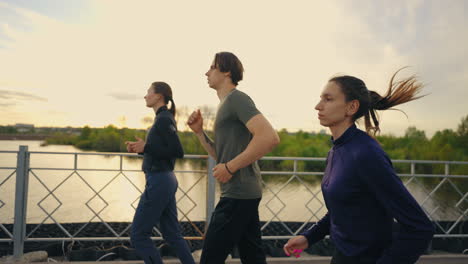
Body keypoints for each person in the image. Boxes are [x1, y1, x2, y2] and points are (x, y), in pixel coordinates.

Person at [283, 69, 434, 264]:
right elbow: (342, 209)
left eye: (328, 99)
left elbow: (420, 227)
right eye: (320, 98)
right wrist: (309, 237)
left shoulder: (366, 154)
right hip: (341, 256)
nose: (317, 106)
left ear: (351, 107)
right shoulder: (336, 150)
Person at [187, 52, 280, 264]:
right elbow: (220, 155)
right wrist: (200, 132)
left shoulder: (238, 99)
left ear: (227, 71)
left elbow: (269, 137)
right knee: (252, 256)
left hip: (238, 194)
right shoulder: (225, 105)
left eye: (212, 67)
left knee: (210, 257)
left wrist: (230, 168)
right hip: (243, 192)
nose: (206, 72)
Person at [126, 82, 195, 264]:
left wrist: (146, 146)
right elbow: (162, 150)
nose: (145, 96)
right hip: (163, 179)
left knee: (138, 236)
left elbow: (177, 151)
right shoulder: (163, 118)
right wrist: (141, 149)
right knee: (172, 235)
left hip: (160, 181)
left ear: (159, 96)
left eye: (148, 92)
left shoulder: (164, 118)